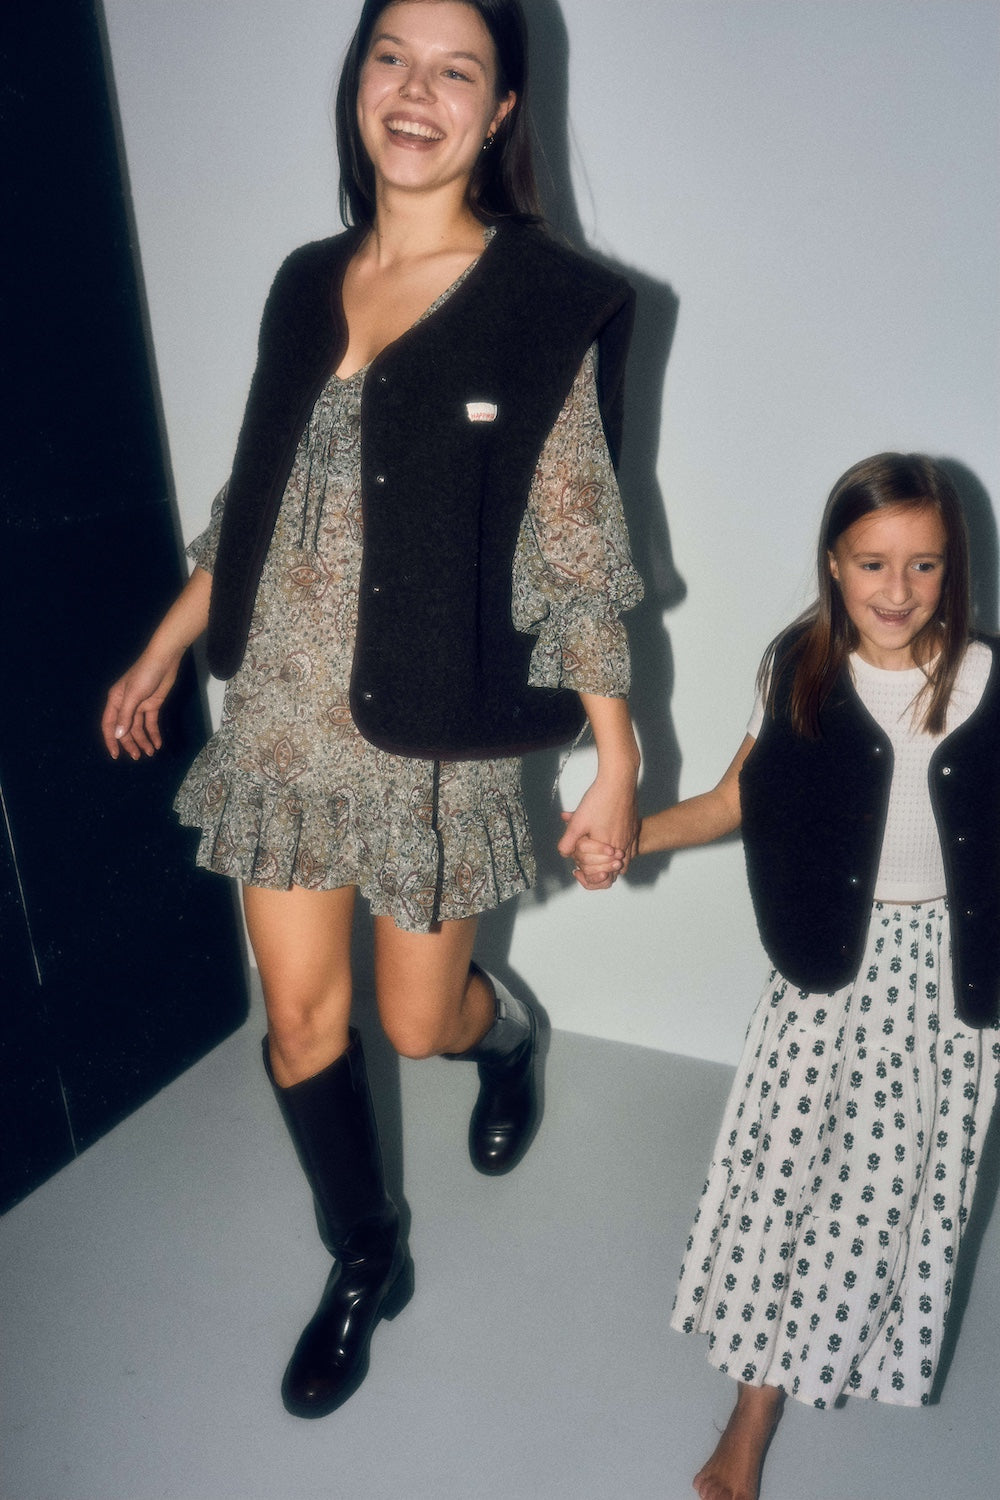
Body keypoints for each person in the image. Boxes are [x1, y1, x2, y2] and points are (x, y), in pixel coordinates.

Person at [102, 0, 643, 1421]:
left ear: (504, 110)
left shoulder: (540, 303)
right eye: (391, 57)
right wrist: (170, 644)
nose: (417, 91)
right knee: (297, 1021)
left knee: (416, 1024)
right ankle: (366, 1255)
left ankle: (504, 1032)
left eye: (456, 69)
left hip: (430, 732)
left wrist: (618, 750)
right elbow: (254, 498)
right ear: (358, 83)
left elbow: (573, 547)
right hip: (278, 707)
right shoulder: (303, 281)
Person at [572, 453, 1000, 1500]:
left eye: (925, 566)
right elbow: (733, 800)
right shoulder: (797, 670)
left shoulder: (990, 681)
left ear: (955, 572)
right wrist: (629, 838)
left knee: (877, 1200)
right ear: (832, 563)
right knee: (782, 1185)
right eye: (871, 564)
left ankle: (802, 1371)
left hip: (945, 988)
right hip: (824, 980)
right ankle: (752, 1409)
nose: (896, 592)